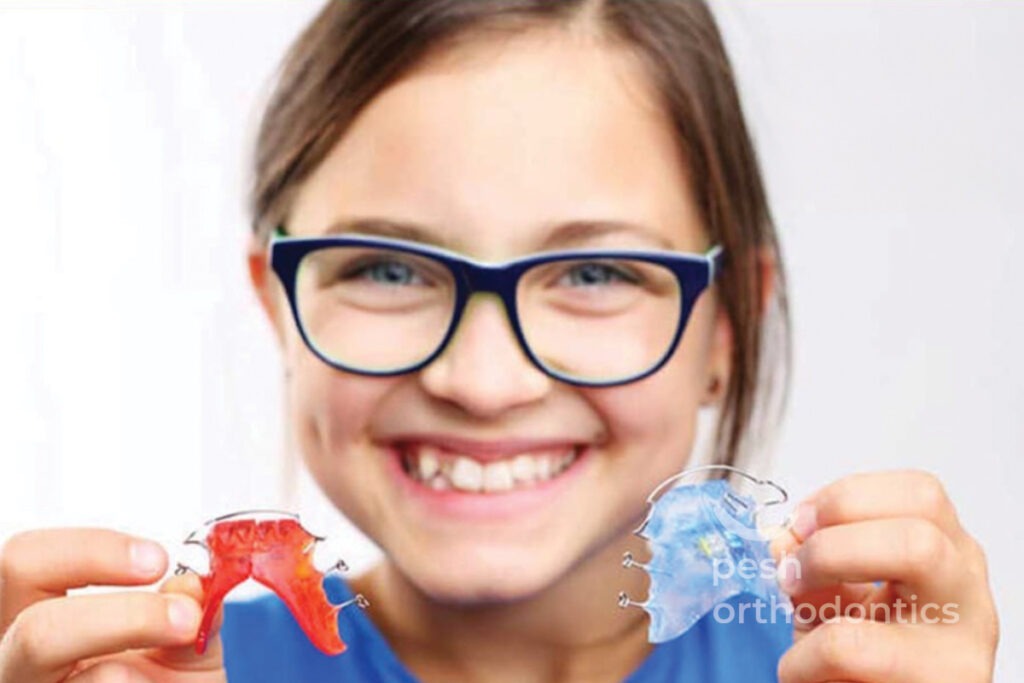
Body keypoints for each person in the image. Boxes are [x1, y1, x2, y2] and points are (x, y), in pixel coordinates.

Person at [0, 1, 999, 681]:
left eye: (595, 272)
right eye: (388, 269)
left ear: (725, 326)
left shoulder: (839, 662)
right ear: (278, 307)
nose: (481, 378)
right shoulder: (176, 667)